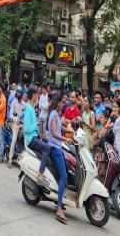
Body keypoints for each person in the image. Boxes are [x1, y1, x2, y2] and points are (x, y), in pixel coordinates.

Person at [47, 93, 73, 224]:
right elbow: (54, 132)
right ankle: (58, 208)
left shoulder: (56, 115)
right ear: (57, 103)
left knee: (65, 174)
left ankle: (59, 200)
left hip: (59, 147)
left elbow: (59, 127)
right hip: (54, 148)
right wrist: (66, 139)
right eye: (62, 102)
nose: (63, 105)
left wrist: (71, 132)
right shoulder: (52, 114)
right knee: (63, 176)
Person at [24, 88, 51, 184]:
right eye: (36, 94)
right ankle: (40, 173)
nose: (38, 96)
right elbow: (26, 128)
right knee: (47, 148)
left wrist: (39, 133)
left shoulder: (31, 108)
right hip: (30, 139)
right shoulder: (28, 109)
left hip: (34, 136)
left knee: (49, 143)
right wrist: (36, 125)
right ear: (33, 96)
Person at [8, 87, 26, 168]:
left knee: (27, 139)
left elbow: (25, 114)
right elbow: (11, 114)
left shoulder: (24, 104)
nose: (18, 94)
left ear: (22, 94)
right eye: (17, 92)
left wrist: (22, 121)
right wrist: (16, 120)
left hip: (22, 123)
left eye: (20, 93)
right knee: (14, 139)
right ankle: (10, 159)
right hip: (14, 123)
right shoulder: (13, 102)